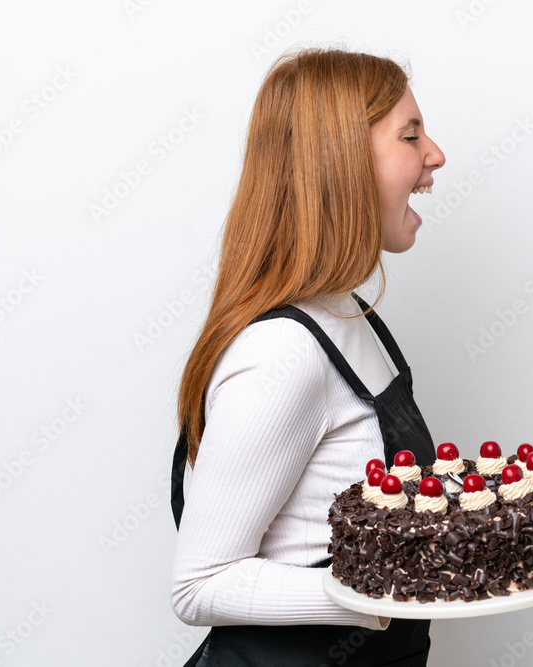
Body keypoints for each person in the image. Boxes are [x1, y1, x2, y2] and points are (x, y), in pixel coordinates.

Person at [169, 46, 446, 667]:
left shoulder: (348, 312)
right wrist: (388, 592)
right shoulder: (282, 351)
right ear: (341, 165)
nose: (435, 155)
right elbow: (199, 583)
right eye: (410, 136)